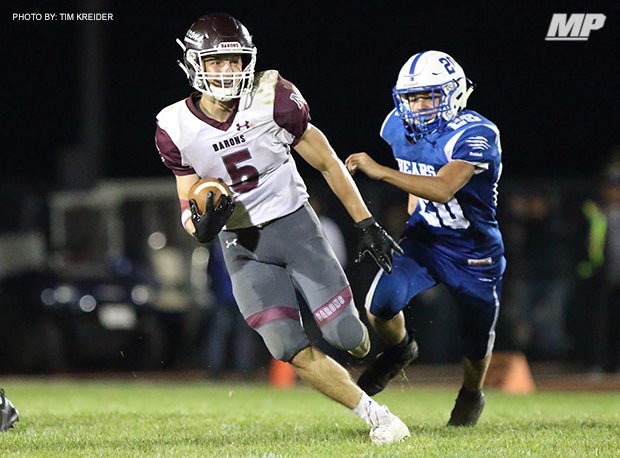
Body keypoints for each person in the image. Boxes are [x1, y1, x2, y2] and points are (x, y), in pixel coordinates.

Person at [155, 13, 408, 444]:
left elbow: (327, 161)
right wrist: (199, 227)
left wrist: (364, 221)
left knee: (350, 338)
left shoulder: (274, 98)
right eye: (216, 62)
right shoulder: (174, 127)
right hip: (242, 245)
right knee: (285, 347)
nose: (227, 70)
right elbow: (187, 201)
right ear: (194, 64)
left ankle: (395, 348)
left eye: (234, 61)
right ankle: (377, 416)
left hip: (295, 228)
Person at [345, 50, 506, 426]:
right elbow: (413, 173)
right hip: (425, 239)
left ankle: (471, 394)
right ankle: (402, 349)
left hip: (473, 248)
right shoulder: (396, 126)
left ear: (453, 94)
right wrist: (412, 216)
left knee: (476, 335)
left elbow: (444, 187)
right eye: (412, 98)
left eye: (429, 96)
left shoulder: (476, 132)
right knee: (379, 305)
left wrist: (379, 172)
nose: (418, 106)